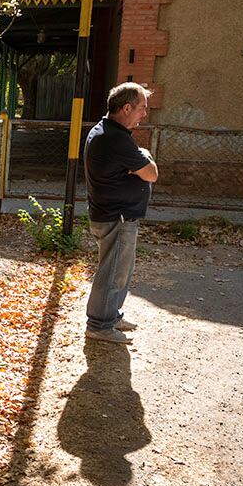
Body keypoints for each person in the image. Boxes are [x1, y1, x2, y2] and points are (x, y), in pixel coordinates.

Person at [83, 83, 158, 344]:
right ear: (126, 108)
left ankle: (110, 317)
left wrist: (141, 158)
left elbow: (143, 164)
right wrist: (143, 161)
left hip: (116, 214)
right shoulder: (115, 137)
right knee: (113, 272)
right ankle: (99, 325)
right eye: (141, 108)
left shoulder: (110, 132)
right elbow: (151, 173)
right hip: (117, 216)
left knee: (120, 271)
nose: (144, 114)